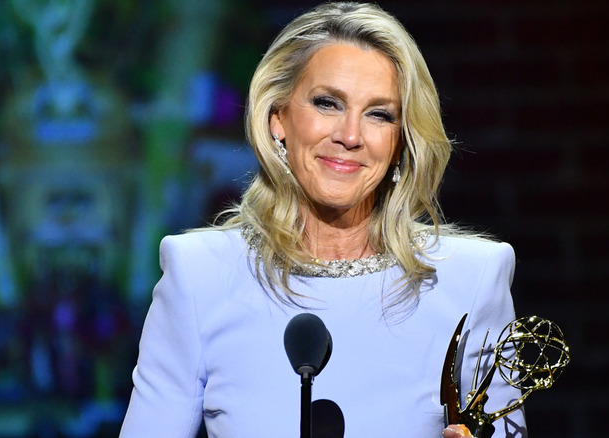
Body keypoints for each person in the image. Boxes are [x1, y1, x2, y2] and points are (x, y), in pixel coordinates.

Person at [120, 2, 526, 437]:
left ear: (401, 139)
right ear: (278, 119)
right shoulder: (200, 275)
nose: (350, 136)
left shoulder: (471, 280)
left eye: (379, 114)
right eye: (327, 103)